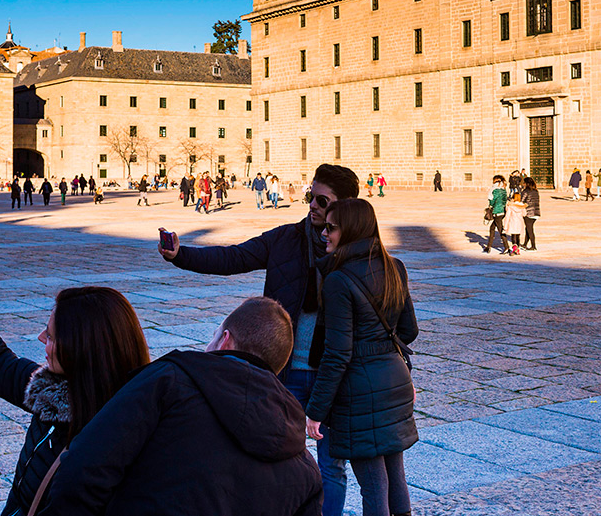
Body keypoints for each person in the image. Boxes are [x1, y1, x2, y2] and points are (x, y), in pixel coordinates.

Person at [158, 164, 361, 516]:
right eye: (310, 196)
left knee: (333, 466)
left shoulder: (359, 251)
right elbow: (235, 256)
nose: (312, 205)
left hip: (335, 376)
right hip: (288, 373)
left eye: (322, 200)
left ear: (345, 205)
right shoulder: (285, 239)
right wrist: (182, 255)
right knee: (280, 460)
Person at [42, 297, 323, 516]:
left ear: (225, 340)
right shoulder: (305, 470)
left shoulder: (169, 381)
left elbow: (82, 470)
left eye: (213, 336)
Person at [0, 259, 150, 516]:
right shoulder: (55, 390)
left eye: (50, 336)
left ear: (78, 350)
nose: (40, 339)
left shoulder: (118, 442)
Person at [306, 199, 418, 516]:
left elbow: (338, 352)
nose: (324, 233)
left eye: (331, 227)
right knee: (395, 476)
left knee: (373, 485)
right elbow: (408, 330)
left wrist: (315, 411)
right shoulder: (395, 266)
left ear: (351, 229)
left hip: (360, 392)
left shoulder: (339, 280)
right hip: (395, 379)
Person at [484, 175, 510, 254]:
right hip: (502, 211)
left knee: (500, 230)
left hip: (497, 212)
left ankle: (506, 247)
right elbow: (505, 199)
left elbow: (492, 200)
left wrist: (491, 205)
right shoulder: (504, 190)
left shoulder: (494, 190)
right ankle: (488, 246)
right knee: (492, 228)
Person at [521, 177, 540, 251]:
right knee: (528, 228)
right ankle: (525, 243)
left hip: (528, 212)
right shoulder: (535, 191)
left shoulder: (525, 191)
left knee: (530, 229)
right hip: (536, 212)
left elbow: (522, 201)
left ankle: (533, 246)